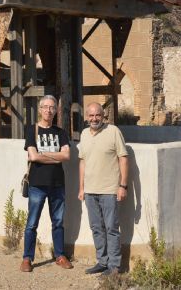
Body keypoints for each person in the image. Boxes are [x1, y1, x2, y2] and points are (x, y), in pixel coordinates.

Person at [20, 95, 74, 272]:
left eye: (52, 107)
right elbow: (33, 156)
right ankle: (27, 259)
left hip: (58, 184)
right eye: (46, 107)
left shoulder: (61, 132)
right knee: (32, 223)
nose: (49, 111)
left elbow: (66, 156)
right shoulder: (32, 130)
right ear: (40, 109)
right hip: (37, 184)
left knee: (58, 222)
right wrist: (55, 156)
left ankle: (59, 256)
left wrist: (44, 156)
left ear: (56, 111)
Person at [78, 102, 129, 276]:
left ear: (103, 116)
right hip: (90, 191)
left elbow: (123, 158)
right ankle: (102, 261)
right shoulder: (84, 134)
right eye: (91, 115)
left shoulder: (113, 131)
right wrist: (81, 188)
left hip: (109, 190)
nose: (94, 119)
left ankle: (114, 266)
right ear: (86, 117)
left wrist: (123, 186)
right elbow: (83, 162)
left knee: (111, 228)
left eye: (97, 115)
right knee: (96, 228)